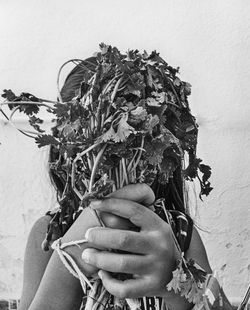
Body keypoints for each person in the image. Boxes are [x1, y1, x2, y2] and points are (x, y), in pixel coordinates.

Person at [17, 53, 233, 310]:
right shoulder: (51, 232)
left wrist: (174, 279)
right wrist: (71, 256)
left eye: (134, 151)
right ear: (69, 154)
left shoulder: (177, 233)